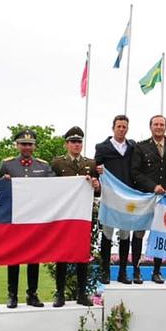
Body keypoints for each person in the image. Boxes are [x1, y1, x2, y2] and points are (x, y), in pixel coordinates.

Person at [0, 129, 55, 307]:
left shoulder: (43, 166)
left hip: (35, 219)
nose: (26, 147)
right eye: (23, 144)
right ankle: (12, 294)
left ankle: (32, 294)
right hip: (15, 218)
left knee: (34, 258)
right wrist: (2, 180)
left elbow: (56, 187)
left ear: (35, 146)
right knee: (13, 257)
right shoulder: (7, 165)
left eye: (30, 144)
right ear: (17, 145)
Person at [51, 126, 100, 306]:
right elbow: (49, 189)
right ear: (67, 144)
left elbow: (97, 192)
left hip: (83, 216)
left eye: (79, 142)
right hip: (64, 215)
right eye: (73, 142)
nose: (76, 145)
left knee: (82, 255)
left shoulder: (91, 164)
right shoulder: (57, 163)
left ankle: (81, 293)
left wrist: (96, 185)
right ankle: (60, 293)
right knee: (61, 254)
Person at [130, 115, 166, 283]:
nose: (159, 127)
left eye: (162, 124)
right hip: (145, 196)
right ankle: (136, 271)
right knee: (138, 233)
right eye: (156, 124)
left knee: (160, 234)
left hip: (165, 199)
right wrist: (152, 186)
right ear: (150, 127)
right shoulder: (141, 146)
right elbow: (135, 172)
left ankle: (156, 271)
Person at [94, 115, 138, 284]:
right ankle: (105, 271)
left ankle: (122, 272)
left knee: (125, 234)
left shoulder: (132, 146)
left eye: (124, 126)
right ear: (113, 127)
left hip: (127, 196)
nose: (122, 129)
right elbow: (95, 167)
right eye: (119, 126)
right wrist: (96, 170)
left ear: (127, 128)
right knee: (107, 234)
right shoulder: (102, 147)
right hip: (110, 196)